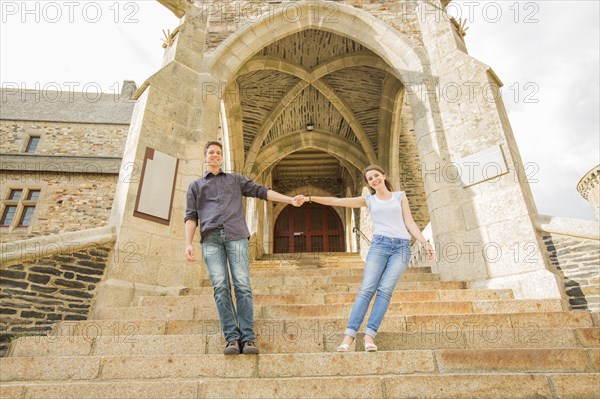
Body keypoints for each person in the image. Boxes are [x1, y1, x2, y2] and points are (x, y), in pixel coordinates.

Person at [296, 165, 434, 352]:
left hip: (401, 248)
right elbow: (338, 200)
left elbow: (409, 222)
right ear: (369, 183)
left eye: (376, 175)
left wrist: (424, 242)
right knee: (367, 290)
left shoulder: (399, 196)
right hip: (379, 246)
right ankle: (348, 338)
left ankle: (370, 336)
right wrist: (310, 198)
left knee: (385, 291)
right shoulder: (369, 200)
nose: (374, 180)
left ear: (384, 176)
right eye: (370, 179)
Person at [185, 141, 299, 355]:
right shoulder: (195, 186)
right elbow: (191, 217)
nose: (214, 156)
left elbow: (261, 191)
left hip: (236, 236)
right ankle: (231, 338)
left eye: (218, 153)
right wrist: (188, 243)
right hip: (210, 239)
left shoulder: (235, 180)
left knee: (243, 286)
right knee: (220, 287)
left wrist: (289, 200)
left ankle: (247, 338)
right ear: (205, 157)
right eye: (211, 153)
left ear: (221, 158)